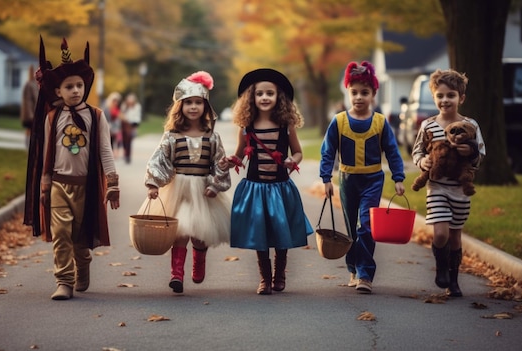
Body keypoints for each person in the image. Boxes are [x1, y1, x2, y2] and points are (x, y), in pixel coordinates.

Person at [23, 37, 120, 300]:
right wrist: (44, 184)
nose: (76, 90)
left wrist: (112, 183)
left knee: (79, 236)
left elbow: (105, 152)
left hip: (86, 186)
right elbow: (46, 154)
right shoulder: (52, 118)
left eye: (79, 85)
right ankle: (63, 281)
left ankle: (83, 262)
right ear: (58, 91)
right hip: (58, 184)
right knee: (61, 233)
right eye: (69, 86)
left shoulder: (96, 116)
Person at [224, 68, 313, 295]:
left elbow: (298, 152)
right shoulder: (246, 127)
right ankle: (264, 279)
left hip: (280, 188)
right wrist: (229, 161)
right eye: (259, 93)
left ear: (279, 97)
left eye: (270, 93)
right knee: (259, 233)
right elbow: (240, 153)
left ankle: (279, 274)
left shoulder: (286, 126)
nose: (264, 97)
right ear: (251, 98)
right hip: (255, 188)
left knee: (280, 230)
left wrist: (293, 160)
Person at [141, 71, 231, 294]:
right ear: (179, 106)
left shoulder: (212, 137)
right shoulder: (172, 135)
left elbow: (219, 163)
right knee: (179, 232)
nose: (193, 107)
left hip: (203, 190)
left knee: (200, 235)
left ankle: (199, 259)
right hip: (177, 190)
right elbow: (159, 159)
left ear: (206, 107)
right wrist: (153, 184)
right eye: (188, 102)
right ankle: (176, 274)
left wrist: (214, 184)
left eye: (198, 103)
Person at [319, 61, 405, 294]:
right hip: (348, 180)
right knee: (351, 229)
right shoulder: (338, 122)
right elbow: (328, 152)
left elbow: (392, 151)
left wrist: (398, 178)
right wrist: (326, 179)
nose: (359, 97)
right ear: (347, 93)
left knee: (366, 225)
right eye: (354, 92)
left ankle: (365, 274)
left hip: (373, 180)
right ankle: (353, 268)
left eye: (364, 93)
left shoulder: (380, 122)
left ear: (374, 95)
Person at [411, 68, 485, 297]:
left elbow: (481, 154)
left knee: (454, 236)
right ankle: (441, 268)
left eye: (450, 95)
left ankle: (453, 280)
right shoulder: (428, 125)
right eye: (440, 96)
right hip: (437, 187)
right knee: (441, 234)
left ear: (461, 98)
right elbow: (417, 151)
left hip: (460, 190)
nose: (445, 100)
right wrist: (422, 162)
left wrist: (470, 153)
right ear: (434, 97)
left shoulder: (470, 125)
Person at [120, 93, 142, 164]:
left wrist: (134, 125)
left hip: (132, 124)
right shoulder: (124, 106)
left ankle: (128, 156)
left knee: (129, 141)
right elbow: (121, 114)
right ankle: (125, 153)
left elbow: (137, 116)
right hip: (124, 124)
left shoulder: (137, 106)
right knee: (124, 141)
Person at [21, 65, 39, 147]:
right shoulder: (29, 85)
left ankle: (31, 145)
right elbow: (27, 101)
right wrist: (30, 115)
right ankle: (28, 145)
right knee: (29, 129)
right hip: (30, 113)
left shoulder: (35, 84)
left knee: (33, 130)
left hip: (34, 112)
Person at [104, 92, 123, 158]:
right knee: (109, 142)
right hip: (108, 128)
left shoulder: (118, 109)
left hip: (116, 128)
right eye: (114, 101)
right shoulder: (107, 109)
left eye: (117, 101)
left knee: (116, 141)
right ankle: (110, 154)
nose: (116, 103)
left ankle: (115, 153)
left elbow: (120, 119)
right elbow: (105, 119)